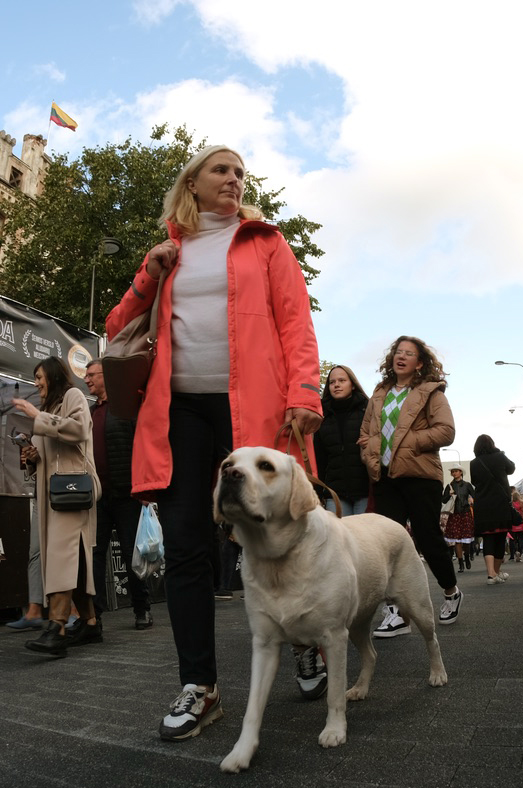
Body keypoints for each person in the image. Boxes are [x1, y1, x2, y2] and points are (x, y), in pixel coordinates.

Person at [103, 144, 324, 740]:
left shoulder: (266, 242)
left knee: (277, 536)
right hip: (179, 413)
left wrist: (305, 392)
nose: (234, 178)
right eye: (220, 169)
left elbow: (296, 322)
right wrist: (149, 274)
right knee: (185, 545)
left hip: (253, 408)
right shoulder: (168, 252)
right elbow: (117, 327)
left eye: (240, 172)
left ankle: (305, 642)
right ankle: (200, 687)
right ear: (192, 183)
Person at [359, 336, 463, 636]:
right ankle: (397, 613)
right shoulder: (379, 393)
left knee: (428, 537)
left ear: (419, 363)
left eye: (409, 353)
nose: (401, 357)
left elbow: (446, 431)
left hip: (420, 476)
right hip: (385, 478)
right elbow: (365, 434)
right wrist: (369, 453)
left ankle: (451, 591)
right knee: (387, 545)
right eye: (398, 352)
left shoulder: (431, 392)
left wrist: (406, 442)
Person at [9, 357, 101, 658]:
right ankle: (89, 622)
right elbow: (51, 451)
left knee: (62, 557)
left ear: (52, 375)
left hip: (72, 491)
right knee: (74, 560)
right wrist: (33, 456)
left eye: (39, 377)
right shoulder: (48, 409)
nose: (36, 383)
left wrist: (37, 416)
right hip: (55, 496)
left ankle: (57, 627)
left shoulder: (73, 396)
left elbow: (79, 431)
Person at [83, 359, 153, 630]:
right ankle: (95, 616)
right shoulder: (89, 413)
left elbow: (143, 447)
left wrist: (144, 487)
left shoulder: (126, 409)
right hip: (97, 497)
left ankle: (142, 609)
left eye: (92, 375)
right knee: (95, 555)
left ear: (107, 377)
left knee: (131, 554)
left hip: (127, 495)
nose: (87, 380)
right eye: (86, 375)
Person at [313, 365, 371, 515]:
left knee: (363, 531)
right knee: (338, 530)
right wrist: (318, 491)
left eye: (342, 380)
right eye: (332, 382)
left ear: (353, 384)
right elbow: (319, 457)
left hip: (365, 491)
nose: (336, 385)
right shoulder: (321, 415)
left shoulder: (368, 410)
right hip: (334, 493)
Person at [469, 434, 518, 584]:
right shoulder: (500, 456)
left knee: (488, 538)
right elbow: (511, 468)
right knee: (501, 537)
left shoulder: (474, 463)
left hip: (483, 504)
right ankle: (495, 572)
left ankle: (491, 574)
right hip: (500, 503)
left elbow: (475, 481)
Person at [442, 467, 475, 570]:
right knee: (457, 540)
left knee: (466, 539)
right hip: (454, 514)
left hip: (465, 513)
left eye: (456, 471)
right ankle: (461, 563)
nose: (454, 473)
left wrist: (471, 500)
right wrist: (449, 495)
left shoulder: (467, 485)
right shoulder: (449, 486)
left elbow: (475, 495)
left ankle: (467, 557)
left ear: (460, 472)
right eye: (452, 472)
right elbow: (443, 500)